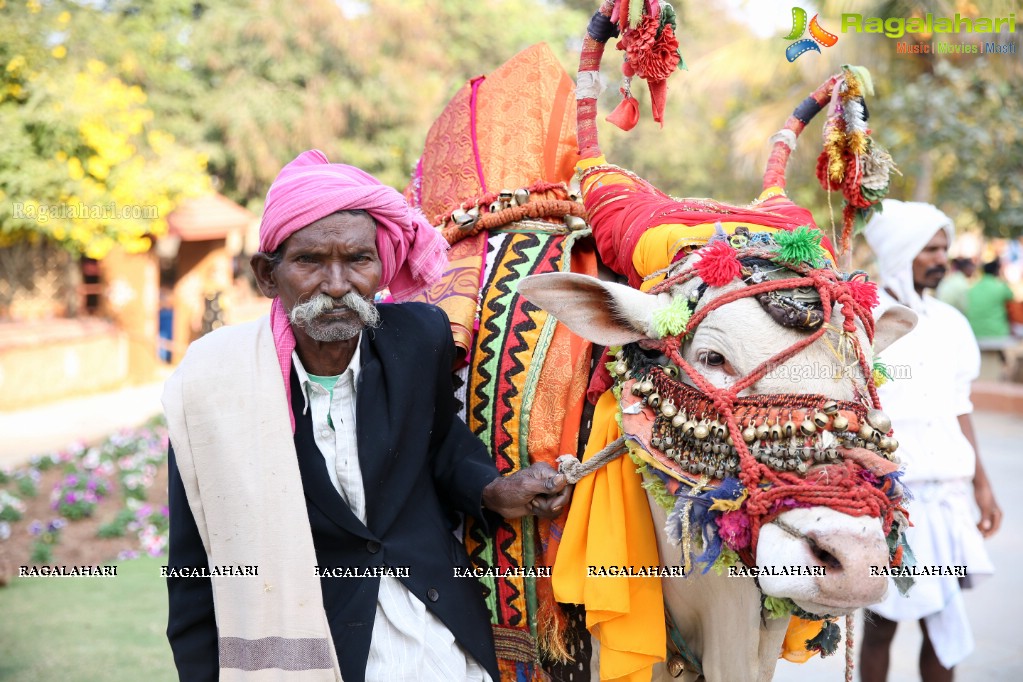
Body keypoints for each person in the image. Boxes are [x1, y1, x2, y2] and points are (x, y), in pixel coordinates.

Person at [162, 150, 572, 682]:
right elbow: (194, 566)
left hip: (437, 631)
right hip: (315, 646)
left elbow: (442, 446)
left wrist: (493, 491)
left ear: (382, 267)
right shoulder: (215, 387)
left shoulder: (419, 338)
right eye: (309, 261)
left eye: (357, 259)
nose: (336, 285)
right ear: (268, 275)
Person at [860, 199, 1003, 682]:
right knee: (880, 627)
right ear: (902, 253)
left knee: (942, 622)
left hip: (949, 499)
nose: (942, 258)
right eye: (931, 249)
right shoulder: (865, 318)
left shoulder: (951, 323)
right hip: (892, 500)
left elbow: (959, 407)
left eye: (944, 248)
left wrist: (982, 484)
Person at [966, 258, 1015, 341]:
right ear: (997, 271)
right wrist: (1004, 277)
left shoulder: (973, 288)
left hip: (975, 332)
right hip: (997, 333)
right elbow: (1012, 299)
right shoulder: (1000, 287)